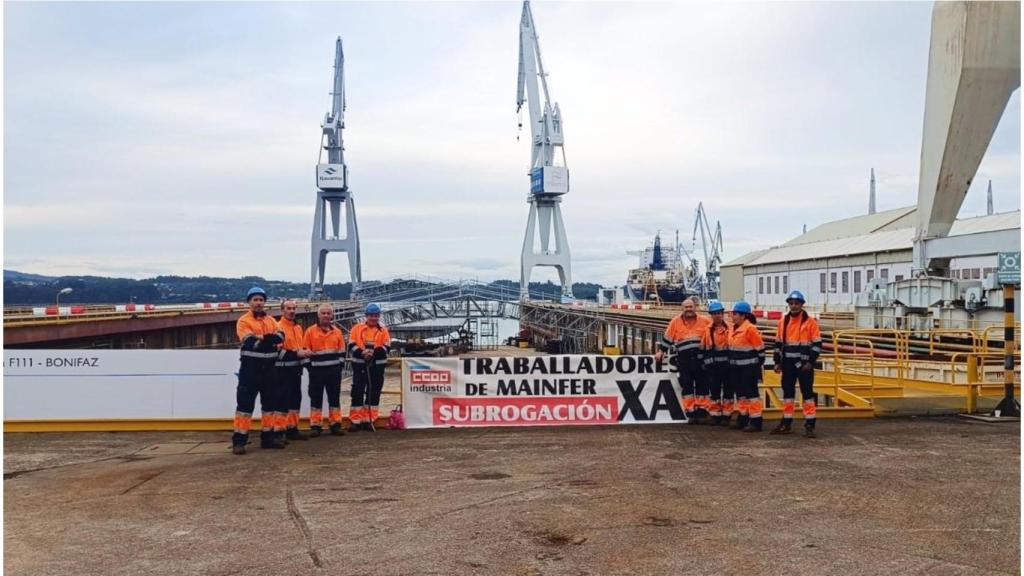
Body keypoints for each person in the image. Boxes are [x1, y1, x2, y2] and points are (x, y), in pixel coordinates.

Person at [232, 286, 286, 454]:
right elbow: (250, 343)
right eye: (255, 300)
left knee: (269, 406)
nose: (258, 303)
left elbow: (281, 338)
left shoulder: (270, 320)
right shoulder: (243, 321)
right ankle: (239, 441)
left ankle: (268, 438)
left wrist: (263, 338)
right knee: (245, 407)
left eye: (261, 300)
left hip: (270, 370)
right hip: (250, 371)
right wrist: (269, 339)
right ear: (249, 302)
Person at [771, 290, 822, 438]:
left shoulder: (810, 322)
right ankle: (786, 422)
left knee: (807, 394)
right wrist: (777, 362)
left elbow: (817, 344)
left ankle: (810, 424)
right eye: (791, 303)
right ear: (788, 305)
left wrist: (811, 361)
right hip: (788, 363)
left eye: (796, 303)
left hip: (805, 365)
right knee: (788, 394)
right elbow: (778, 343)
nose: (794, 306)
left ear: (801, 305)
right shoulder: (783, 322)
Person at [655, 297, 711, 423]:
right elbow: (667, 338)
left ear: (695, 307)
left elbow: (715, 334)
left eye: (691, 307)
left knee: (703, 385)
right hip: (684, 359)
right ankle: (691, 413)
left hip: (700, 359)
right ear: (682, 309)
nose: (689, 309)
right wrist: (661, 351)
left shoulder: (705, 321)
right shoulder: (675, 322)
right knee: (687, 385)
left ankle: (702, 412)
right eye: (686, 307)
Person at [303, 303, 347, 437]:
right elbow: (305, 351)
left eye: (328, 313)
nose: (326, 316)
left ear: (332, 315)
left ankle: (335, 424)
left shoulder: (337, 332)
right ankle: (315, 425)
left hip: (333, 371)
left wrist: (338, 366)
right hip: (317, 371)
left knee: (334, 398)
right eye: (323, 313)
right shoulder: (310, 331)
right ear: (318, 315)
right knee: (316, 398)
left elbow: (342, 352)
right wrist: (310, 368)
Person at [348, 303, 391, 432]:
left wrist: (373, 353)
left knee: (374, 393)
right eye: (371, 315)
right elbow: (351, 345)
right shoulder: (357, 328)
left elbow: (386, 347)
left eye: (376, 315)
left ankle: (369, 419)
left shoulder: (384, 330)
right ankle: (356, 421)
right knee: (357, 392)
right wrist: (362, 353)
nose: (374, 318)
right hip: (360, 365)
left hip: (377, 367)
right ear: (366, 316)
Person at [727, 301, 765, 433]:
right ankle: (743, 417)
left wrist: (755, 365)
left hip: (748, 368)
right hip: (736, 368)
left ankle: (756, 420)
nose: (733, 316)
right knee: (741, 395)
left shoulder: (750, 329)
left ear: (743, 316)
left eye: (735, 314)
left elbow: (760, 350)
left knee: (752, 395)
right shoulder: (733, 328)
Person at [276, 299, 310, 442]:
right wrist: (296, 354)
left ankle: (292, 428)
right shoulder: (278, 328)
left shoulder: (297, 328)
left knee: (295, 400)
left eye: (294, 308)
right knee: (282, 401)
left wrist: (304, 354)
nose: (291, 311)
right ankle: (279, 431)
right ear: (282, 311)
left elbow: (299, 347)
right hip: (282, 371)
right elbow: (278, 351)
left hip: (296, 370)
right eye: (288, 308)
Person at [699, 300, 732, 425]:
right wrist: (704, 363)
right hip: (713, 367)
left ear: (722, 313)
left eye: (719, 313)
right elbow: (703, 347)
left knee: (728, 391)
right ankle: (715, 415)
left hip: (728, 366)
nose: (717, 315)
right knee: (714, 391)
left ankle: (727, 415)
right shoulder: (707, 330)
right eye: (715, 313)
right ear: (711, 315)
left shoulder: (730, 328)